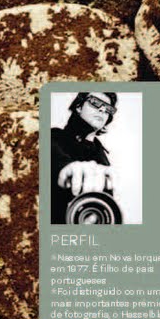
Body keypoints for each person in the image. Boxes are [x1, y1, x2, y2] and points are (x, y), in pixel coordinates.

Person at [50, 91, 118, 224]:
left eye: (108, 108)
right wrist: (67, 169)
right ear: (79, 107)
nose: (102, 110)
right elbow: (52, 156)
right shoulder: (53, 137)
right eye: (95, 102)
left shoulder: (103, 157)